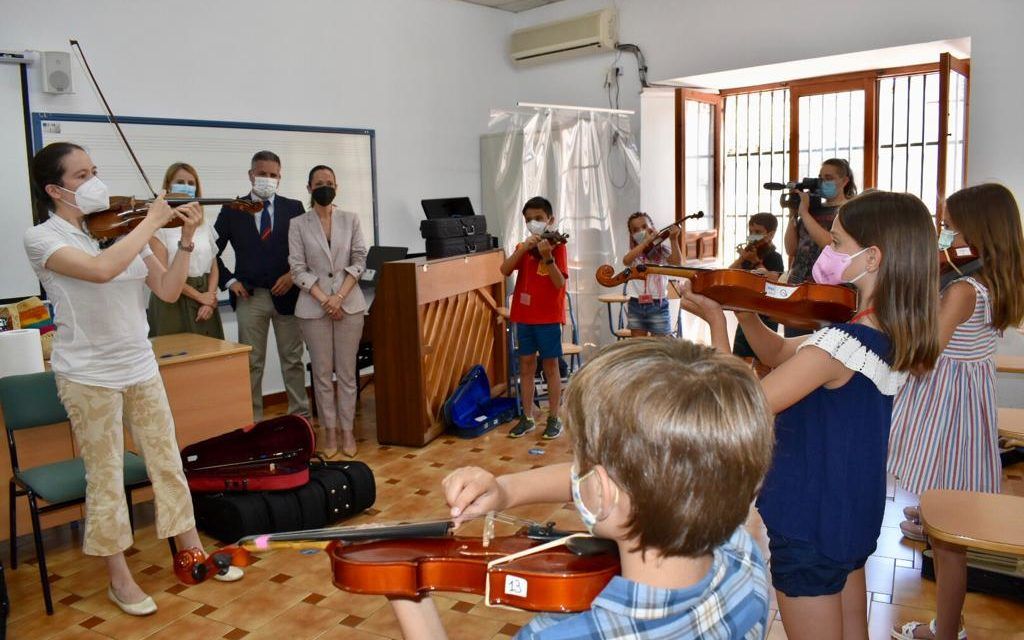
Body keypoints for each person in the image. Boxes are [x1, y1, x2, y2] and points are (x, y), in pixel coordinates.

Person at [680, 190, 940, 640]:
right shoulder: (881, 333)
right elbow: (780, 351)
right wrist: (745, 312)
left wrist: (715, 325)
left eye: (837, 244)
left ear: (872, 257)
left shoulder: (839, 345)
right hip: (850, 512)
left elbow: (743, 410)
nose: (827, 253)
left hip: (810, 519)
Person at [388, 338, 775, 639]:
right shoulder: (744, 560)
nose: (576, 470)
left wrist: (408, 596)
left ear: (602, 491)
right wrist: (505, 491)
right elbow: (632, 484)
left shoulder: (559, 635)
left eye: (581, 460)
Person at [23, 143, 243, 617]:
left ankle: (191, 554)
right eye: (83, 175)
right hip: (87, 375)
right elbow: (101, 271)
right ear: (55, 189)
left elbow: (165, 289)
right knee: (104, 476)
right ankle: (118, 579)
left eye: (96, 170)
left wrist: (183, 240)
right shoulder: (43, 238)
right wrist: (150, 221)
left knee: (167, 463)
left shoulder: (119, 228)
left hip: (139, 364)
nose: (96, 182)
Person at [889, 183, 1024, 640]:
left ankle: (946, 632)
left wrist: (900, 328)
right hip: (962, 416)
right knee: (945, 521)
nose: (942, 236)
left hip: (945, 418)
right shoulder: (987, 282)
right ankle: (930, 519)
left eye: (948, 227)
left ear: (976, 233)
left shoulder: (964, 290)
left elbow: (925, 357)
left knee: (949, 542)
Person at [215, 150, 308, 420]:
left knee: (292, 360)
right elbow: (211, 250)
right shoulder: (232, 208)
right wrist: (229, 280)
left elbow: (306, 251)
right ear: (251, 175)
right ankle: (251, 421)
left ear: (280, 178)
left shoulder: (294, 208)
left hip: (288, 297)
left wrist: (292, 274)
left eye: (273, 175)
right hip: (250, 298)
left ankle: (299, 418)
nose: (267, 179)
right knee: (251, 363)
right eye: (262, 174)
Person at [288, 165, 367, 459]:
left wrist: (340, 296)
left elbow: (359, 259)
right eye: (319, 183)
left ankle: (348, 432)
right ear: (309, 188)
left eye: (329, 182)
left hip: (350, 304)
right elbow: (297, 268)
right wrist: (325, 299)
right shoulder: (298, 224)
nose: (325, 187)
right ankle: (329, 432)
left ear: (337, 186)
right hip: (313, 307)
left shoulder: (351, 219)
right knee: (322, 375)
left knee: (347, 374)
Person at [502, 196, 568, 440]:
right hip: (524, 315)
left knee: (550, 366)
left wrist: (547, 256)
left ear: (550, 219)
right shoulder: (525, 247)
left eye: (538, 219)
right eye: (529, 220)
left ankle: (554, 417)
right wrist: (524, 249)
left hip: (549, 317)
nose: (533, 223)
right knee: (527, 366)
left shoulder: (557, 246)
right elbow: (505, 269)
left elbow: (559, 281)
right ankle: (527, 416)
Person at [147, 162, 224, 338]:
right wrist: (200, 297)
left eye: (191, 183)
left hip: (205, 297)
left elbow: (213, 268)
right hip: (172, 299)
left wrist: (209, 298)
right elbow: (162, 273)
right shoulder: (157, 226)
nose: (186, 187)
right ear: (168, 186)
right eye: (180, 181)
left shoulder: (204, 224)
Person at [782, 158, 857, 337]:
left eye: (829, 177)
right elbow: (791, 249)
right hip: (799, 290)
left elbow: (830, 246)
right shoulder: (810, 210)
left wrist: (804, 214)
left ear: (845, 181)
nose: (823, 182)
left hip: (832, 293)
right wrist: (794, 215)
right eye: (820, 177)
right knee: (795, 345)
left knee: (828, 347)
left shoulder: (850, 211)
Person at [731, 212, 785, 376]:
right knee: (739, 361)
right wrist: (742, 259)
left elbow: (773, 280)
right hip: (747, 312)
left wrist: (756, 261)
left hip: (766, 317)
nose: (752, 235)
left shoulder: (774, 257)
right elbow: (729, 273)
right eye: (751, 230)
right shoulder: (747, 255)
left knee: (763, 363)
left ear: (770, 234)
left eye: (757, 231)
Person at [621, 212, 682, 336]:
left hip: (658, 305)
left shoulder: (662, 251)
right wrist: (645, 243)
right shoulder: (634, 254)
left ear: (652, 228)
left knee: (660, 347)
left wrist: (674, 240)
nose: (641, 232)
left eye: (644, 227)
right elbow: (626, 261)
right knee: (639, 346)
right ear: (632, 235)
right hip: (636, 303)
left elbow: (677, 262)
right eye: (636, 230)